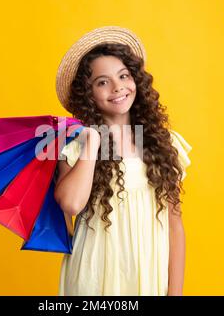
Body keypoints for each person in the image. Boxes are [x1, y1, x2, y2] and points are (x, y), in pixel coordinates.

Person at [53, 26, 192, 296]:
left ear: (135, 81)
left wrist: (175, 293)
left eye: (123, 76)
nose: (118, 87)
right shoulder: (76, 147)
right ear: (88, 93)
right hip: (95, 274)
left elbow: (175, 224)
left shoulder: (165, 144)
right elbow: (70, 204)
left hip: (148, 272)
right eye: (102, 82)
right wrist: (92, 142)